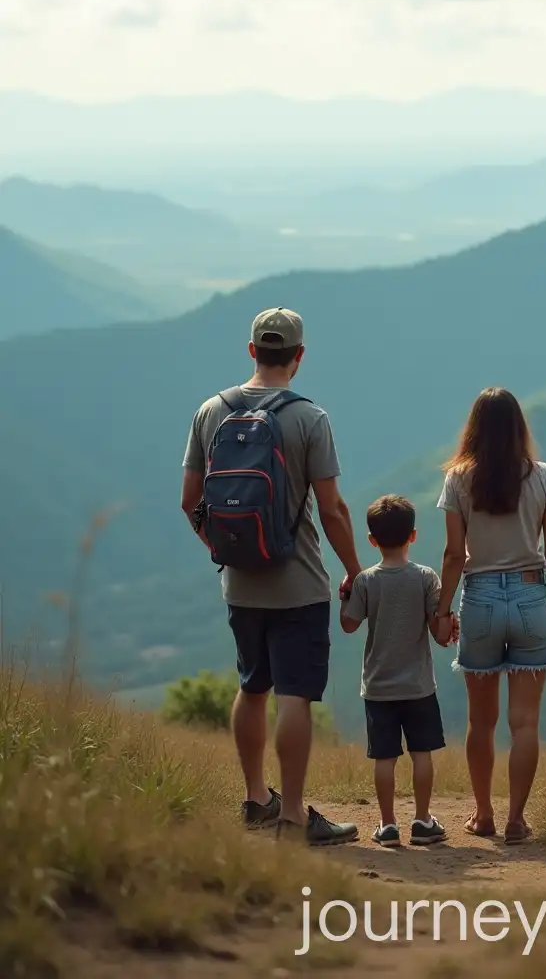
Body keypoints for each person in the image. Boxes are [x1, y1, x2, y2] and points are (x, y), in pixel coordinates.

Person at [181, 307, 363, 846]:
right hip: (299, 581)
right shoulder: (309, 418)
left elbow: (190, 500)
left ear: (252, 350)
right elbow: (331, 510)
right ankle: (294, 817)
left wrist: (223, 546)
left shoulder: (211, 411)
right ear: (299, 357)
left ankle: (257, 799)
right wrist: (355, 571)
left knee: (251, 687)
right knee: (295, 697)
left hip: (240, 581)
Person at [433, 387, 546, 845]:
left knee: (481, 721)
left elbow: (455, 555)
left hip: (480, 600)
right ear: (519, 428)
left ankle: (482, 814)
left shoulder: (458, 480)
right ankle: (516, 818)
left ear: (474, 427)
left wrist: (441, 611)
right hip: (533, 598)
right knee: (525, 723)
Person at [340, 494, 450, 848]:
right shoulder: (426, 578)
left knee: (384, 758)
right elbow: (439, 631)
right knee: (422, 754)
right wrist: (448, 620)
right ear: (413, 536)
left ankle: (387, 825)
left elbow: (349, 625)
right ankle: (422, 820)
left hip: (378, 687)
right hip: (418, 685)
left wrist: (346, 594)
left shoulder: (366, 581)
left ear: (372, 540)